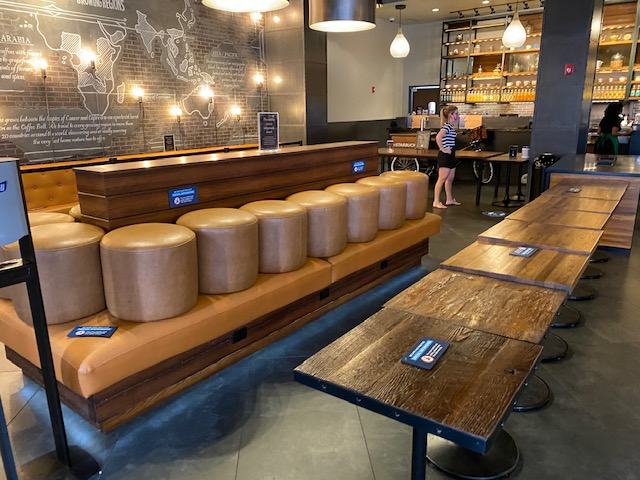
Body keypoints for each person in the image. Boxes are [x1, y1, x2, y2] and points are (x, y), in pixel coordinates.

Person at [433, 105, 461, 209]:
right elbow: (438, 137)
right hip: (445, 155)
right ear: (450, 115)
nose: (457, 116)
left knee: (450, 178)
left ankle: (449, 199)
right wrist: (443, 149)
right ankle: (436, 201)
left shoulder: (451, 127)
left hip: (451, 153)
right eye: (456, 114)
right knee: (442, 178)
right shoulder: (446, 127)